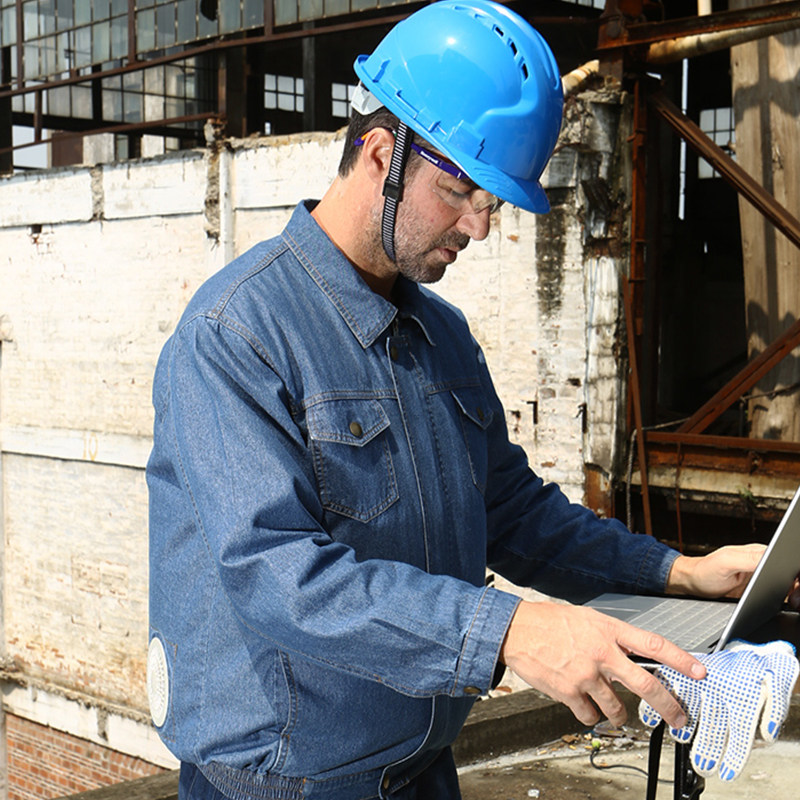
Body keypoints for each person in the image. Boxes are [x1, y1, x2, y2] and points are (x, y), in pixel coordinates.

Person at [145, 2, 773, 798]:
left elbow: (515, 516)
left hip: (424, 766)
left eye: (496, 201)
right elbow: (279, 577)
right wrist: (510, 630)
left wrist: (681, 572)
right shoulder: (236, 335)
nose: (479, 227)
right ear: (379, 151)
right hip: (287, 782)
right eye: (459, 191)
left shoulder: (441, 336)